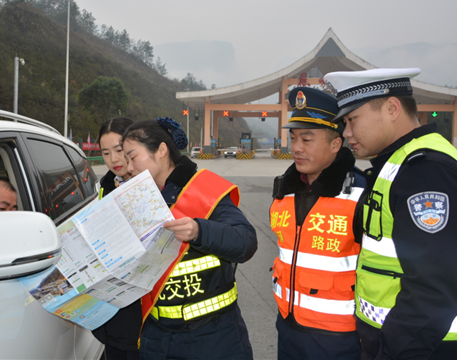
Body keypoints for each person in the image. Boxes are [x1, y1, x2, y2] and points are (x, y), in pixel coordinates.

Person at [323, 68, 457, 359]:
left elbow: (433, 287)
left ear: (391, 108)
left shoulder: (426, 172)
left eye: (352, 120)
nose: (346, 132)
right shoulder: (396, 162)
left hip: (428, 347)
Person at [122, 117, 257, 360]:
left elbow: (245, 242)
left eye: (133, 157)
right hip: (156, 335)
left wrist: (200, 231)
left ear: (161, 150)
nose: (129, 167)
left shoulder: (204, 190)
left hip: (212, 337)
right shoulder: (136, 200)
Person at [269, 87, 365, 360]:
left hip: (340, 338)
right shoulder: (283, 191)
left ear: (336, 144)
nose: (296, 148)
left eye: (307, 139)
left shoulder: (361, 194)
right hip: (287, 327)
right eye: (293, 137)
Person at [92, 117, 142, 360]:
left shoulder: (153, 186)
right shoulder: (103, 188)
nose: (113, 159)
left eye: (119, 151)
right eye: (105, 152)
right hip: (116, 306)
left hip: (148, 307)